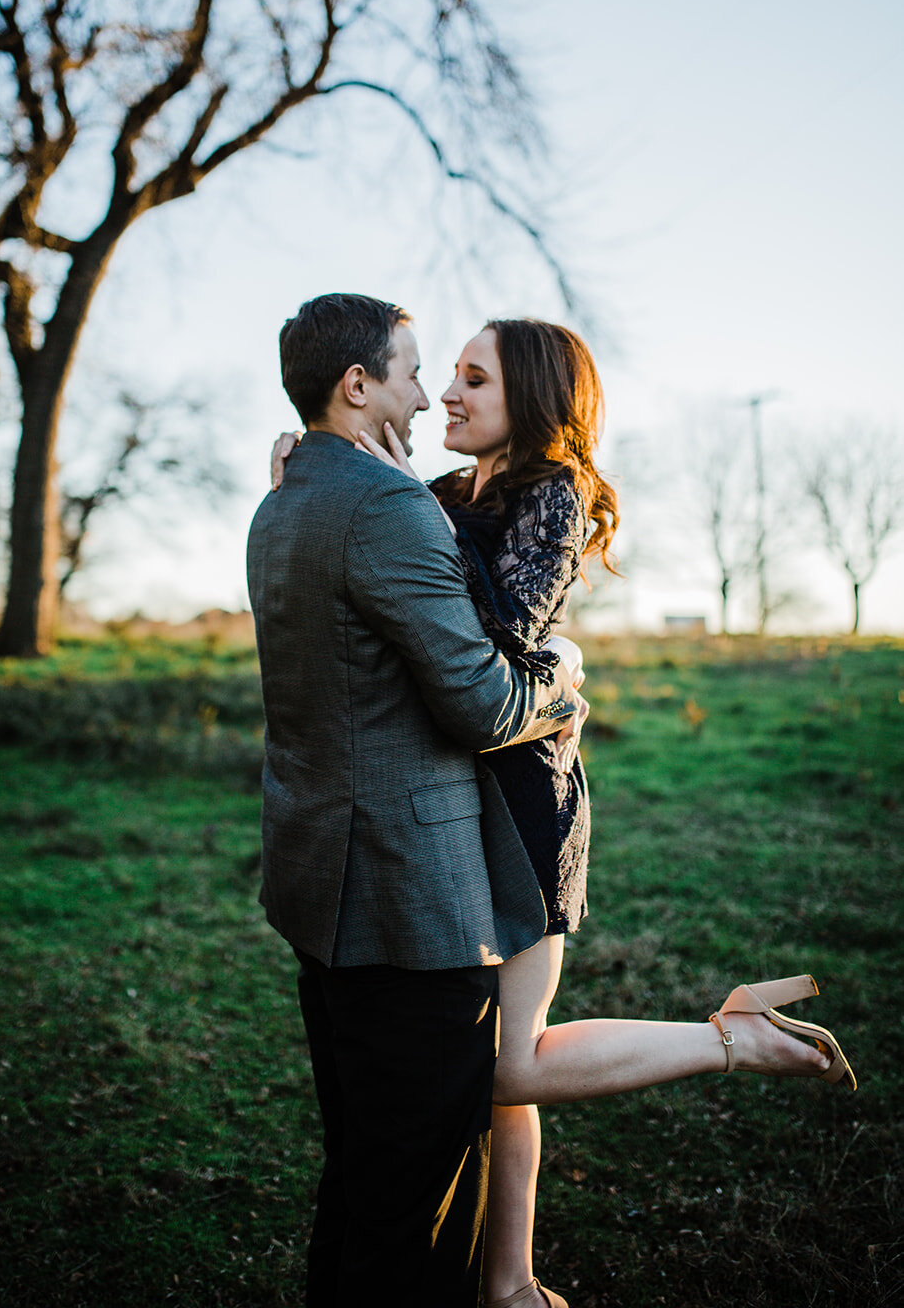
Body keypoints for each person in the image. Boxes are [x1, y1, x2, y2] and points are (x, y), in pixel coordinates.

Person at [272, 315, 857, 1308]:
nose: (446, 395)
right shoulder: (447, 491)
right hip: (455, 787)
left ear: (531, 399)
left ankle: (728, 1036)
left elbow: (500, 629)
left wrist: (378, 487)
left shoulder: (553, 493)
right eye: (443, 375)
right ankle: (508, 1284)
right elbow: (387, 572)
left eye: (472, 378)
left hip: (521, 796)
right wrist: (329, 473)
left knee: (507, 1060)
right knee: (499, 1064)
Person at [246, 294, 587, 1308]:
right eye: (410, 370)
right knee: (415, 1211)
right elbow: (486, 704)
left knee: (359, 1174)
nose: (425, 388)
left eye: (461, 375)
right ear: (357, 385)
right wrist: (564, 678)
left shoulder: (282, 501)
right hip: (412, 903)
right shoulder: (393, 504)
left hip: (321, 887)